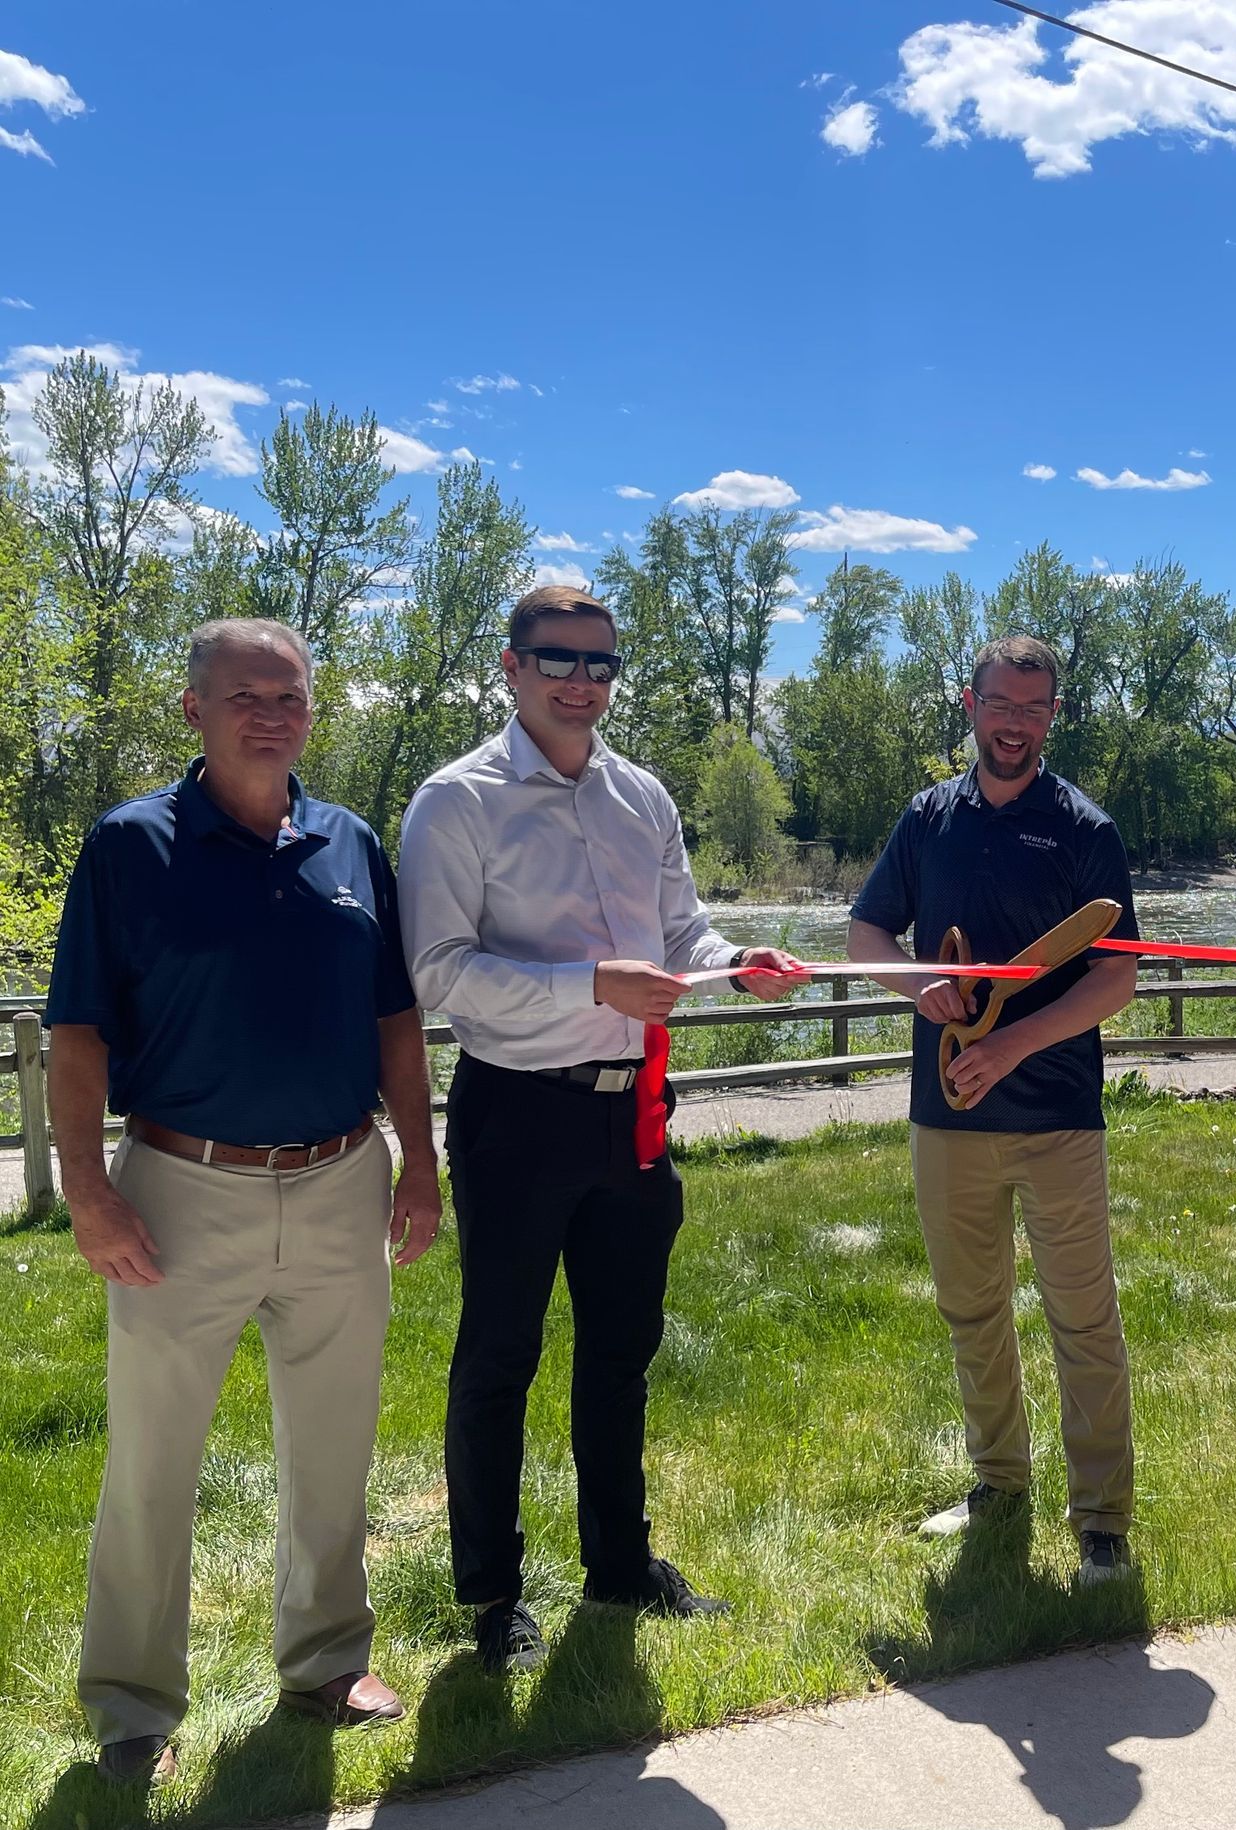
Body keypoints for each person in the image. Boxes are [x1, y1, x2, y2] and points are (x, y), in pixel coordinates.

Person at [45, 618, 441, 1786]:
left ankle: (326, 1659)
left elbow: (396, 1023)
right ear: (194, 709)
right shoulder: (130, 847)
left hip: (337, 1181)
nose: (273, 713)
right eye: (245, 694)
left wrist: (421, 1161)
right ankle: (130, 1707)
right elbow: (77, 1036)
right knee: (153, 1461)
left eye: (292, 695)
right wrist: (88, 1192)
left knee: (334, 1445)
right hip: (179, 1189)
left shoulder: (350, 843)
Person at [398, 583, 804, 1673]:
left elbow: (683, 934)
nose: (582, 683)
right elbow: (437, 976)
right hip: (516, 1116)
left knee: (621, 1353)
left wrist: (736, 968)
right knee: (500, 1357)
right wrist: (593, 988)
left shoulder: (641, 797)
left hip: (633, 1118)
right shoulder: (456, 802)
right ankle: (492, 1598)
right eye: (559, 660)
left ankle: (619, 1565)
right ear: (511, 665)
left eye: (601, 664)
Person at [847, 634, 1142, 1587]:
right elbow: (866, 932)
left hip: (1058, 1118)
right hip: (947, 1121)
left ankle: (1101, 1521)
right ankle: (998, 1486)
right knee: (973, 1312)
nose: (1014, 723)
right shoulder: (927, 820)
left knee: (1082, 1320)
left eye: (1034, 708)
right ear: (968, 704)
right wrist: (916, 984)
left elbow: (1116, 980)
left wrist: (1013, 1041)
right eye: (999, 704)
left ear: (1053, 716)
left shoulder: (1085, 829)